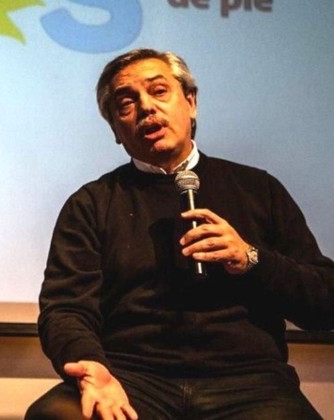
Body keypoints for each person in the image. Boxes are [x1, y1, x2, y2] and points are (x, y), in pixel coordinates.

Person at [25, 48, 334, 419]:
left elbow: (324, 303)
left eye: (159, 91)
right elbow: (65, 308)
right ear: (116, 131)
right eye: (126, 103)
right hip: (131, 377)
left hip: (250, 381)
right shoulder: (91, 203)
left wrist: (251, 259)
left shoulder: (258, 189)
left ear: (191, 103)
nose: (146, 107)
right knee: (56, 415)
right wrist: (90, 364)